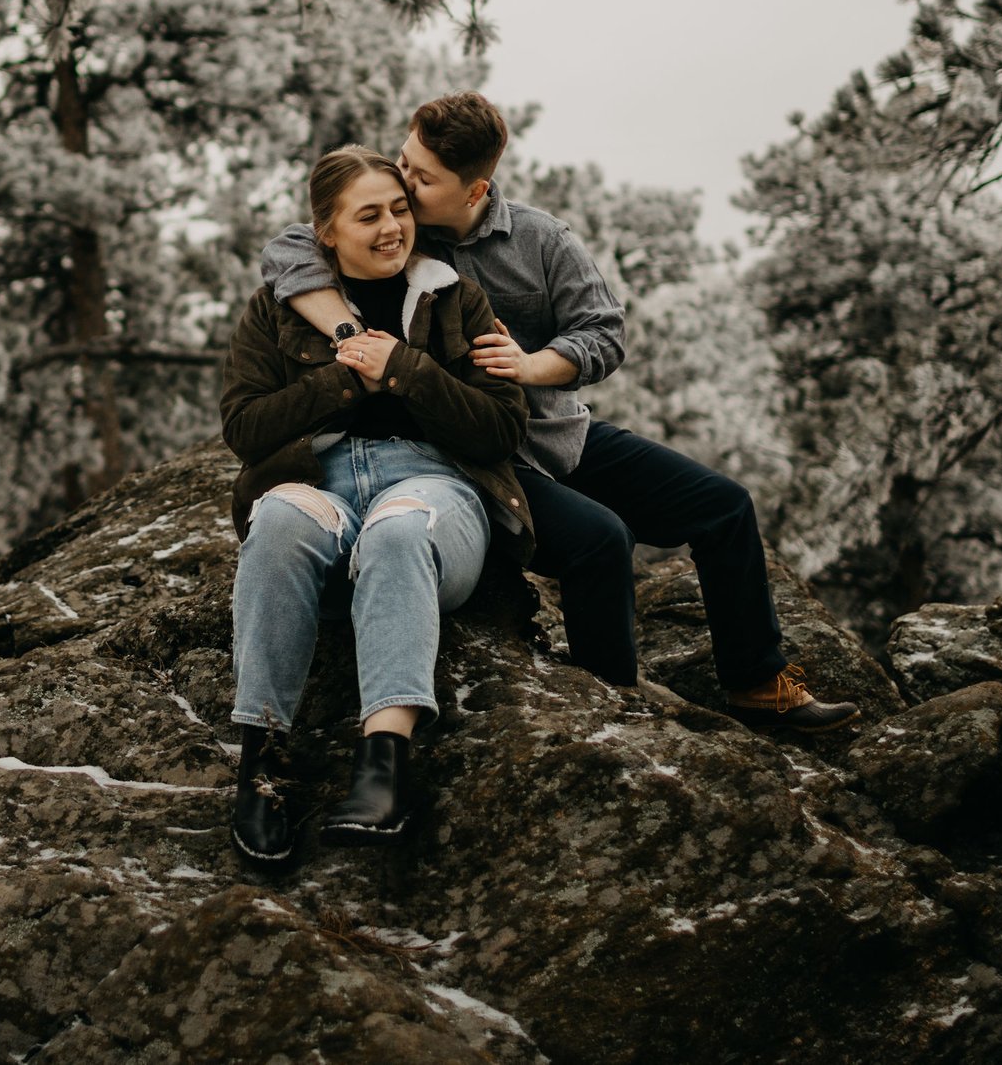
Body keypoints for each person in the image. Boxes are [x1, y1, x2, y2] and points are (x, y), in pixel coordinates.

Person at [260, 93, 858, 733]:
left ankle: (757, 683)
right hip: (480, 454)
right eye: (406, 162)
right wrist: (353, 335)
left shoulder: (540, 240)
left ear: (475, 189)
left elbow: (604, 333)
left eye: (421, 178)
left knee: (725, 504)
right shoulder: (394, 236)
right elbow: (288, 251)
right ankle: (612, 713)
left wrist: (531, 365)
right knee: (602, 539)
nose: (402, 183)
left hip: (556, 433)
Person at [220, 145, 530, 864]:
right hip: (319, 481)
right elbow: (245, 428)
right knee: (276, 520)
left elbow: (501, 426)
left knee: (397, 531)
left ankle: (383, 766)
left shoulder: (455, 295)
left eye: (399, 209)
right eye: (369, 216)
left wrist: (406, 371)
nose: (392, 227)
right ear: (326, 231)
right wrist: (344, 378)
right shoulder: (275, 310)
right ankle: (262, 766)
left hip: (433, 486)